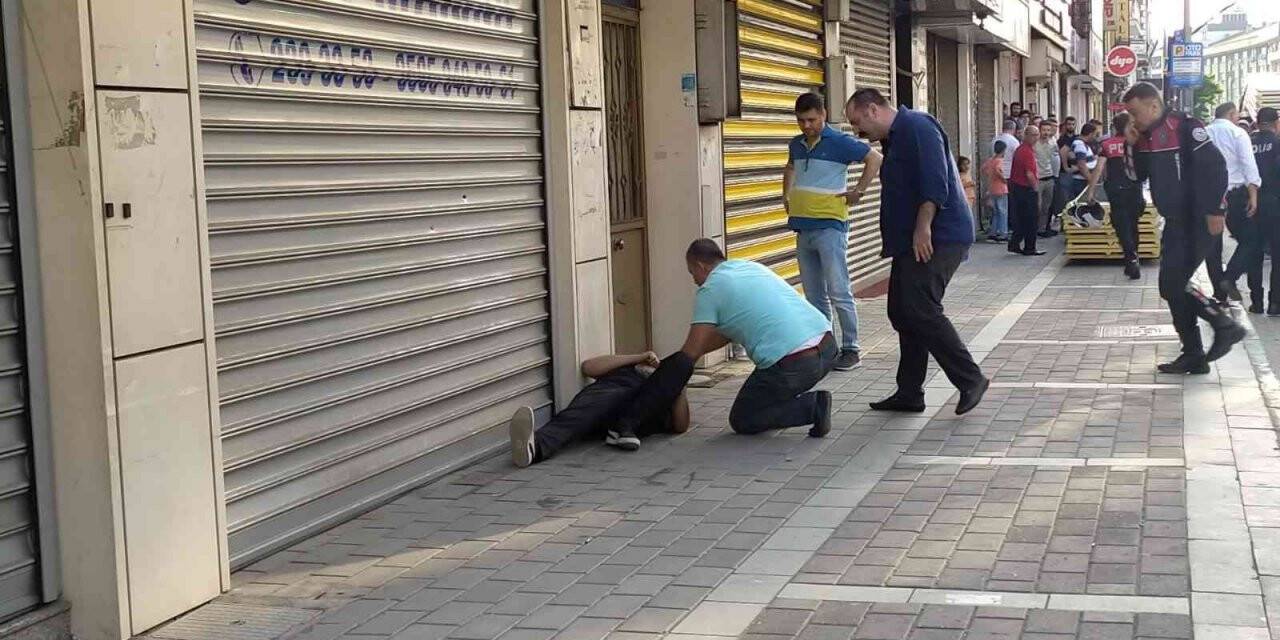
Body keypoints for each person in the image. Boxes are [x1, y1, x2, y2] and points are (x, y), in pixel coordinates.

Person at [845, 88, 988, 415]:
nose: (857, 131)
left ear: (872, 110)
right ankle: (909, 392)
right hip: (913, 239)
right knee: (900, 309)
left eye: (857, 122)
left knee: (919, 307)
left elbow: (935, 180)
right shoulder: (895, 137)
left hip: (940, 235)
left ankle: (970, 379)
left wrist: (924, 226)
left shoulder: (917, 127)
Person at [1124, 82, 1244, 374]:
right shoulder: (1146, 136)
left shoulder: (1186, 127)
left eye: (1135, 113)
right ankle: (1196, 352)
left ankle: (1222, 325)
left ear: (1153, 105)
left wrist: (1216, 209)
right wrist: (1132, 144)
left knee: (1172, 284)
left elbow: (1216, 167)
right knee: (1173, 287)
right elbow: (1134, 176)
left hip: (1198, 219)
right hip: (1176, 221)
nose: (1133, 120)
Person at [679, 239, 837, 436]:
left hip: (794, 364)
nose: (694, 280)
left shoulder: (710, 289)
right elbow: (724, 335)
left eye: (692, 273)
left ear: (700, 266)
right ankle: (802, 404)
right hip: (828, 347)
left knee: (744, 417)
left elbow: (692, 350)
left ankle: (812, 407)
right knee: (765, 395)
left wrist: (671, 373)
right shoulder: (748, 266)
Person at [783, 92, 883, 371]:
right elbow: (790, 166)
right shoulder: (797, 144)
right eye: (801, 121)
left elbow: (874, 158)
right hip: (803, 228)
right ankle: (825, 348)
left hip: (830, 226)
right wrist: (786, 194)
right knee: (814, 295)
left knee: (839, 290)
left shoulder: (839, 142)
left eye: (811, 120)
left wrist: (859, 192)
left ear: (823, 115)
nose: (806, 126)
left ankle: (851, 348)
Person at [508, 351, 694, 467]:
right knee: (586, 410)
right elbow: (588, 367)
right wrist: (638, 357)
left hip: (637, 418)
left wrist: (679, 386)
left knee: (684, 360)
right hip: (609, 399)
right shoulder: (631, 368)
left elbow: (680, 425)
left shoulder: (663, 391)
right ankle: (535, 448)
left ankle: (623, 427)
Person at [1205, 102, 1262, 307]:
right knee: (1250, 240)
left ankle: (1219, 292)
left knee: (1213, 246)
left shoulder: (1203, 133)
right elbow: (1249, 165)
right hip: (1234, 195)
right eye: (1237, 114)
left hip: (1209, 196)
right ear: (1230, 114)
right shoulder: (1238, 134)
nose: (1238, 118)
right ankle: (1229, 277)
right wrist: (1253, 195)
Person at [1100, 112, 1146, 279]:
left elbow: (1100, 169)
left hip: (1115, 190)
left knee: (1122, 225)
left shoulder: (1107, 144)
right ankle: (1133, 258)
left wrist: (1091, 191)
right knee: (1133, 224)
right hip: (1134, 189)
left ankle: (1131, 257)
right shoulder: (1138, 143)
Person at [1253, 107, 1280, 316]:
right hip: (1275, 202)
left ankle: (1256, 302)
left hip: (1252, 202)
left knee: (1254, 253)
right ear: (1276, 122)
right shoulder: (1277, 143)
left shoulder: (1249, 142)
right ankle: (1275, 303)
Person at [1009, 124, 1045, 255]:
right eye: (1033, 135)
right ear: (1026, 136)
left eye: (1037, 135)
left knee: (1022, 219)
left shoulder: (1022, 149)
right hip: (1025, 189)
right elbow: (1029, 174)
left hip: (1018, 188)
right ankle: (1030, 247)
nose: (1036, 138)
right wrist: (1036, 190)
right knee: (1031, 220)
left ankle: (1014, 243)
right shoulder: (1026, 151)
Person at [1065, 122, 1102, 221]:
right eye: (1095, 134)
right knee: (1083, 205)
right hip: (1081, 181)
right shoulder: (1080, 145)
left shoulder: (1082, 144)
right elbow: (1082, 165)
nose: (1095, 137)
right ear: (1090, 134)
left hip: (1083, 180)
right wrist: (1091, 179)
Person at [1035, 119, 1062, 237]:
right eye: (1044, 130)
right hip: (1038, 179)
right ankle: (1034, 229)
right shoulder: (1034, 144)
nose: (1046, 133)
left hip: (1050, 177)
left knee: (1047, 206)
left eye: (1048, 130)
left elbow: (1055, 158)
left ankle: (1042, 229)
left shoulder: (1053, 143)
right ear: (1039, 130)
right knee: (1037, 206)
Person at [982, 142, 1010, 242]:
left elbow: (984, 169)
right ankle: (1003, 233)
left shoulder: (990, 160)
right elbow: (999, 171)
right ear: (1003, 150)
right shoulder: (1000, 161)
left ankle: (993, 232)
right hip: (1001, 188)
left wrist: (990, 176)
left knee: (996, 212)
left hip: (992, 188)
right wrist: (1004, 180)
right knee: (1003, 212)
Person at [994, 119, 1021, 184]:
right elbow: (1018, 158)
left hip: (994, 173)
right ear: (1013, 129)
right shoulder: (1014, 141)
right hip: (1008, 174)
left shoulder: (994, 139)